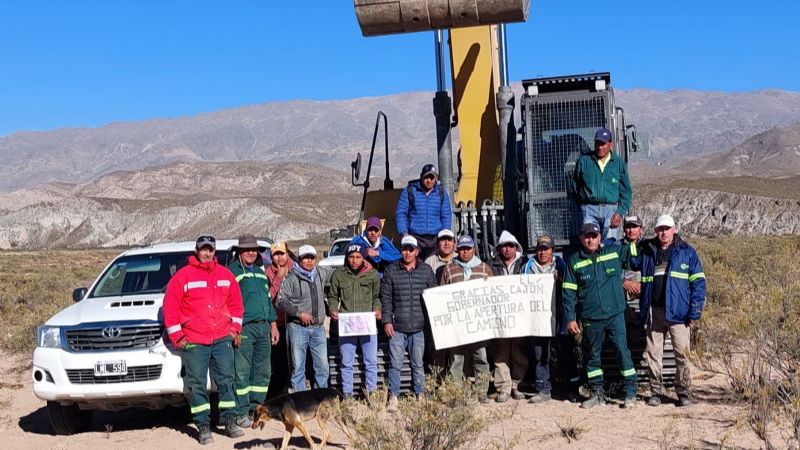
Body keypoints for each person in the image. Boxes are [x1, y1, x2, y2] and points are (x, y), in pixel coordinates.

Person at [163, 235, 245, 444]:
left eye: (210, 249)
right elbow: (171, 308)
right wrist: (178, 336)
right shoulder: (183, 277)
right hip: (195, 341)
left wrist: (234, 329)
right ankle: (203, 426)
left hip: (221, 338)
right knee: (197, 384)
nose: (207, 253)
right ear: (196, 250)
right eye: (203, 249)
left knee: (227, 380)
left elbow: (236, 306)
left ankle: (229, 422)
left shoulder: (226, 275)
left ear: (215, 251)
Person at [563, 223, 638, 409]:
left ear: (600, 238)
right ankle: (597, 393)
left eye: (594, 236)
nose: (590, 239)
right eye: (587, 236)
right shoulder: (574, 261)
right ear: (581, 238)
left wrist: (633, 238)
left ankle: (630, 393)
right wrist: (570, 318)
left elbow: (633, 258)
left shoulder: (613, 253)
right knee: (592, 356)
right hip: (590, 317)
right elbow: (569, 293)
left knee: (622, 350)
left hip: (615, 314)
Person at [635, 214, 706, 407]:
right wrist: (632, 240)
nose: (663, 232)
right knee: (653, 354)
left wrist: (695, 310)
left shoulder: (687, 252)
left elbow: (699, 283)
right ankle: (656, 392)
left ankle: (683, 392)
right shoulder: (648, 250)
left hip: (679, 314)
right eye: (660, 229)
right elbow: (632, 262)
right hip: (654, 312)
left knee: (682, 354)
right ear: (656, 231)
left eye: (667, 228)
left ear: (674, 229)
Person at [381, 235, 438, 412]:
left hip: (419, 327)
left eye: (411, 249)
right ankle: (394, 397)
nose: (407, 252)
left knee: (418, 363)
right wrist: (387, 321)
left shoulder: (426, 271)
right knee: (395, 363)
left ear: (417, 251)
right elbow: (386, 298)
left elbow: (434, 295)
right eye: (404, 248)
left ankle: (419, 394)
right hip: (397, 327)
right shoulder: (391, 270)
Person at [227, 234, 279, 428]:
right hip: (244, 328)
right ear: (239, 252)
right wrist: (234, 329)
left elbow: (267, 300)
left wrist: (273, 325)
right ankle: (241, 412)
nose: (250, 252)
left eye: (253, 249)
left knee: (263, 372)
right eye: (246, 249)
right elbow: (228, 303)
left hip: (263, 327)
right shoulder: (232, 272)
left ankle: (256, 410)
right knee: (242, 372)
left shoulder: (259, 271)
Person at [440, 235, 494, 403]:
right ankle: (455, 394)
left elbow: (493, 294)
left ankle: (481, 392)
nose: (465, 252)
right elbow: (442, 295)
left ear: (474, 249)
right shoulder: (449, 268)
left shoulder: (485, 268)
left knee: (481, 357)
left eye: (468, 248)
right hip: (457, 325)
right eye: (462, 249)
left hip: (478, 324)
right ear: (458, 250)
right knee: (456, 359)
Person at [522, 235, 574, 403]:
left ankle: (567, 389)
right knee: (540, 353)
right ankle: (543, 388)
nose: (543, 252)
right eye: (540, 249)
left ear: (552, 250)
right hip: (538, 318)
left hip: (558, 315)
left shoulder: (562, 266)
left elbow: (570, 288)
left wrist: (560, 281)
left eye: (546, 248)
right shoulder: (527, 268)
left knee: (563, 352)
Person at [327, 243, 382, 397]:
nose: (354, 260)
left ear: (364, 258)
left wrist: (377, 309)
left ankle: (371, 393)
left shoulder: (372, 275)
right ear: (347, 257)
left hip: (367, 324)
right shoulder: (338, 274)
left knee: (371, 361)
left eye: (358, 257)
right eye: (351, 257)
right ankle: (348, 394)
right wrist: (333, 309)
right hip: (347, 324)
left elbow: (376, 297)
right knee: (346, 363)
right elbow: (332, 296)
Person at [276, 245, 330, 392]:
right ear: (299, 259)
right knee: (298, 367)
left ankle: (321, 398)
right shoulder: (291, 277)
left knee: (323, 367)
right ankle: (300, 401)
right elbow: (280, 301)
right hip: (298, 328)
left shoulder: (321, 273)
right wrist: (299, 314)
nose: (309, 261)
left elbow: (339, 275)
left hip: (318, 329)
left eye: (312, 257)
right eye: (306, 258)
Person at [489, 231, 529, 402]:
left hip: (519, 315)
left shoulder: (525, 264)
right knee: (501, 351)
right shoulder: (491, 267)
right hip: (500, 316)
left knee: (519, 350)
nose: (507, 249)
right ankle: (503, 387)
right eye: (504, 246)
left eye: (510, 246)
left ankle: (517, 384)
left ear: (516, 248)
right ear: (499, 249)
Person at [573, 127, 632, 241]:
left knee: (610, 245)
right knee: (589, 243)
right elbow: (576, 185)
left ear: (611, 144)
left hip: (611, 210)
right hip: (589, 210)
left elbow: (626, 191)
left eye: (603, 143)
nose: (600, 147)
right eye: (598, 143)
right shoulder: (584, 161)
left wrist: (619, 212)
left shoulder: (618, 163)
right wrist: (583, 204)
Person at [395, 163, 453, 259]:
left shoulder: (442, 194)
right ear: (421, 177)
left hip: (435, 239)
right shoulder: (409, 191)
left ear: (436, 178)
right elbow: (401, 213)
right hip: (415, 237)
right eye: (426, 177)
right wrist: (404, 233)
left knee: (435, 267)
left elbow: (446, 215)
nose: (429, 180)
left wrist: (444, 234)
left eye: (432, 177)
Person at [423, 228, 456, 374]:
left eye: (449, 240)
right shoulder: (429, 262)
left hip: (457, 311)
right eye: (443, 240)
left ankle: (457, 380)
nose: (446, 243)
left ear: (454, 243)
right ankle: (438, 378)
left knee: (457, 348)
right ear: (438, 243)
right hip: (437, 312)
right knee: (437, 347)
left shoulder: (460, 257)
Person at [264, 241, 293, 400]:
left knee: (294, 359)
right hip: (277, 322)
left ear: (287, 253)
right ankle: (278, 393)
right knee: (278, 360)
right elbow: (270, 297)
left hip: (294, 322)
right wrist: (278, 278)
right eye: (276, 255)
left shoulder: (296, 268)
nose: (280, 257)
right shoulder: (268, 273)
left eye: (282, 253)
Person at [620, 215, 644, 302]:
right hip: (623, 288)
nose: (631, 230)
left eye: (634, 227)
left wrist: (643, 284)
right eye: (628, 227)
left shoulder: (648, 246)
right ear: (624, 230)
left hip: (643, 286)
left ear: (641, 229)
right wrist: (623, 281)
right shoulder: (617, 247)